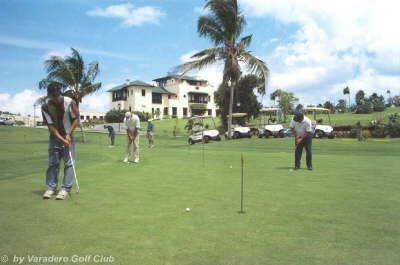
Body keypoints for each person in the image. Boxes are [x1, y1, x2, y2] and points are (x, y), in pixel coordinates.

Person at [41, 84, 80, 200]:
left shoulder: (69, 102)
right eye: (53, 96)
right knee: (53, 163)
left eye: (57, 95)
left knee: (69, 163)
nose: (55, 98)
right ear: (49, 96)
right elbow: (51, 126)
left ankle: (65, 189)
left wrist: (68, 134)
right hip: (54, 137)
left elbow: (76, 120)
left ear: (60, 94)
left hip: (69, 134)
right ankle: (51, 188)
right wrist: (62, 138)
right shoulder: (45, 106)